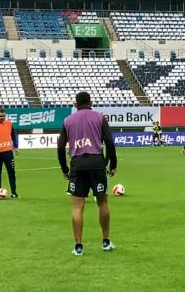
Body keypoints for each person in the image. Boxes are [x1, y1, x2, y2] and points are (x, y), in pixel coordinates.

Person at [58, 92, 118, 255]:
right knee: (102, 203)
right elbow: (110, 142)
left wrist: (64, 169)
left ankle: (78, 246)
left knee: (77, 207)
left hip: (77, 164)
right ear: (91, 102)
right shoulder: (99, 117)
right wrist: (112, 164)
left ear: (75, 104)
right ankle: (106, 241)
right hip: (97, 163)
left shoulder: (67, 121)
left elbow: (60, 146)